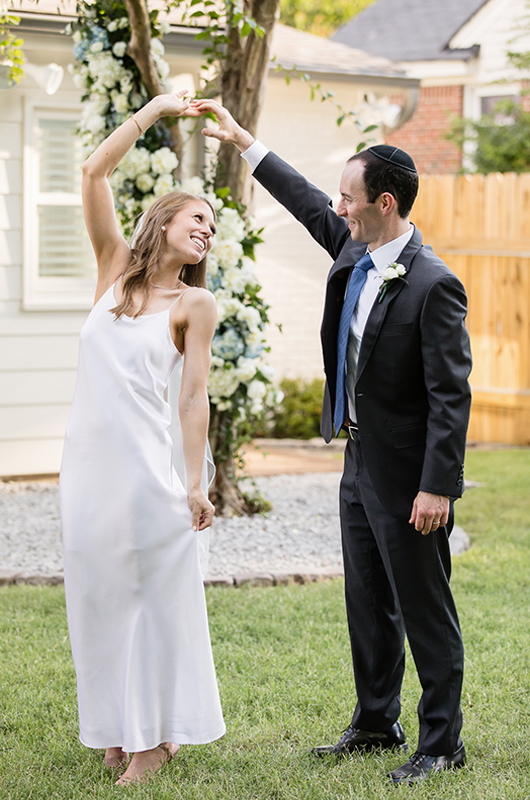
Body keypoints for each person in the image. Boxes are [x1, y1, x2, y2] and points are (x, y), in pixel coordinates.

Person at [192, 98, 472, 785]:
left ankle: (442, 743)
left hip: (411, 475)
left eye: (349, 198)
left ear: (383, 201)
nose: (338, 207)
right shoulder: (356, 247)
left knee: (424, 605)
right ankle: (377, 721)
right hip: (358, 462)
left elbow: (451, 396)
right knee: (367, 598)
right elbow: (305, 201)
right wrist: (244, 142)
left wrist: (437, 485)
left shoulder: (434, 285)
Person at [59, 91, 225, 787]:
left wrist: (194, 482)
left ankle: (156, 739)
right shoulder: (111, 268)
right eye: (198, 218)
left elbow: (192, 399)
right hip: (88, 471)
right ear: (162, 222)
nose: (208, 231)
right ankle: (118, 727)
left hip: (152, 471)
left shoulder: (195, 304)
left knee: (158, 598)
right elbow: (94, 174)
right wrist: (155, 110)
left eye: (214, 227)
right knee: (99, 596)